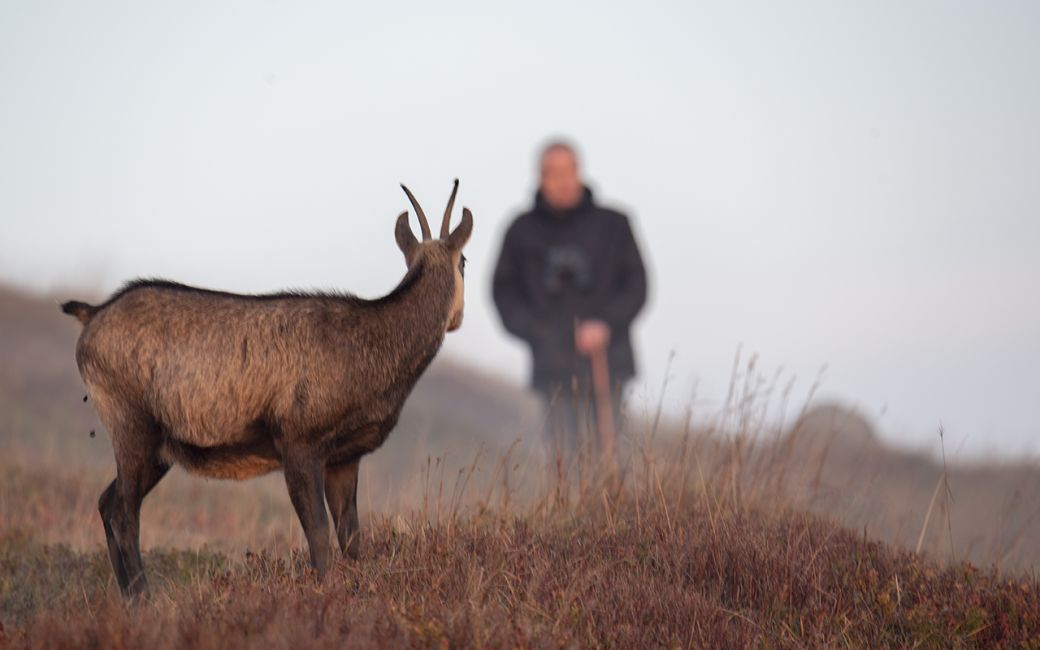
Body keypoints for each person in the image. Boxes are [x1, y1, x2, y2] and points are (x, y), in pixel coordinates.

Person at [492, 140, 648, 457]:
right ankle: (572, 508)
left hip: (609, 359)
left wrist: (605, 323)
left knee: (612, 457)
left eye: (570, 170)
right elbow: (503, 292)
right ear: (540, 178)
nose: (564, 181)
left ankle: (613, 507)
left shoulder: (614, 225)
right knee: (565, 462)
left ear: (580, 172)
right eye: (554, 173)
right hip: (553, 366)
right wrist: (538, 331)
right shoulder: (521, 231)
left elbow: (637, 284)